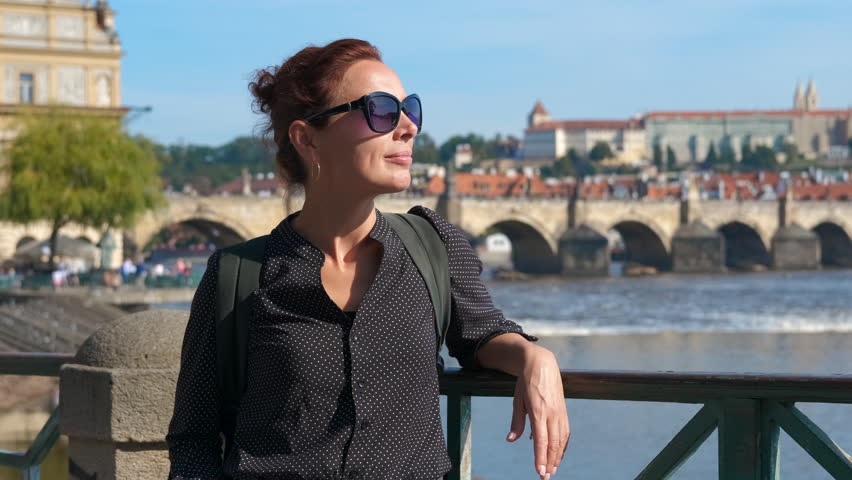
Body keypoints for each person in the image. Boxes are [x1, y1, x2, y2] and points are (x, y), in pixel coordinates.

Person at [166, 39, 569, 480]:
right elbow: (194, 442)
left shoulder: (432, 244)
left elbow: (481, 335)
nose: (408, 127)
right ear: (307, 139)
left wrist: (534, 357)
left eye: (409, 109)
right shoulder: (239, 276)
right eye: (380, 110)